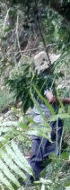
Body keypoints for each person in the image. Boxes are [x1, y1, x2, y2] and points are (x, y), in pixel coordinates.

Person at [28, 50, 68, 181]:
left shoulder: (35, 81)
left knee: (38, 155)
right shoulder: (46, 80)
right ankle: (47, 181)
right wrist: (68, 100)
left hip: (38, 123)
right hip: (49, 122)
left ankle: (30, 183)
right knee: (52, 153)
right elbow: (51, 99)